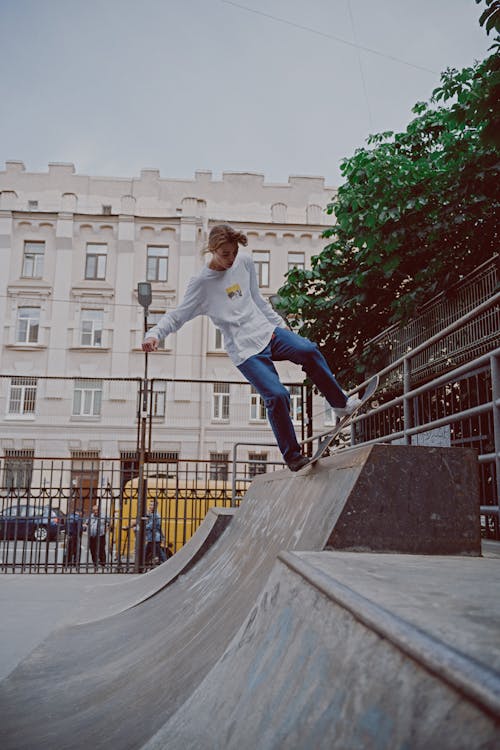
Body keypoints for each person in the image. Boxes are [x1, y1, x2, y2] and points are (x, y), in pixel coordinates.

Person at [143, 223, 360, 472]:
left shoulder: (244, 263)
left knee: (309, 350)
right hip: (245, 351)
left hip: (267, 332)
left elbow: (258, 299)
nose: (231, 259)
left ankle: (340, 404)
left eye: (234, 252)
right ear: (212, 250)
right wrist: (154, 333)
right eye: (225, 254)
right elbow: (177, 316)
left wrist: (281, 326)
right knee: (277, 396)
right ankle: (293, 456)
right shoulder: (201, 283)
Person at [84, 502, 108, 569]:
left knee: (101, 549)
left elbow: (109, 523)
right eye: (94, 510)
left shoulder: (104, 516)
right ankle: (95, 563)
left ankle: (103, 563)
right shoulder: (90, 516)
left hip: (100, 536)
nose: (95, 511)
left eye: (96, 510)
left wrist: (106, 530)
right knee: (93, 550)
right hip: (92, 536)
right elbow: (86, 523)